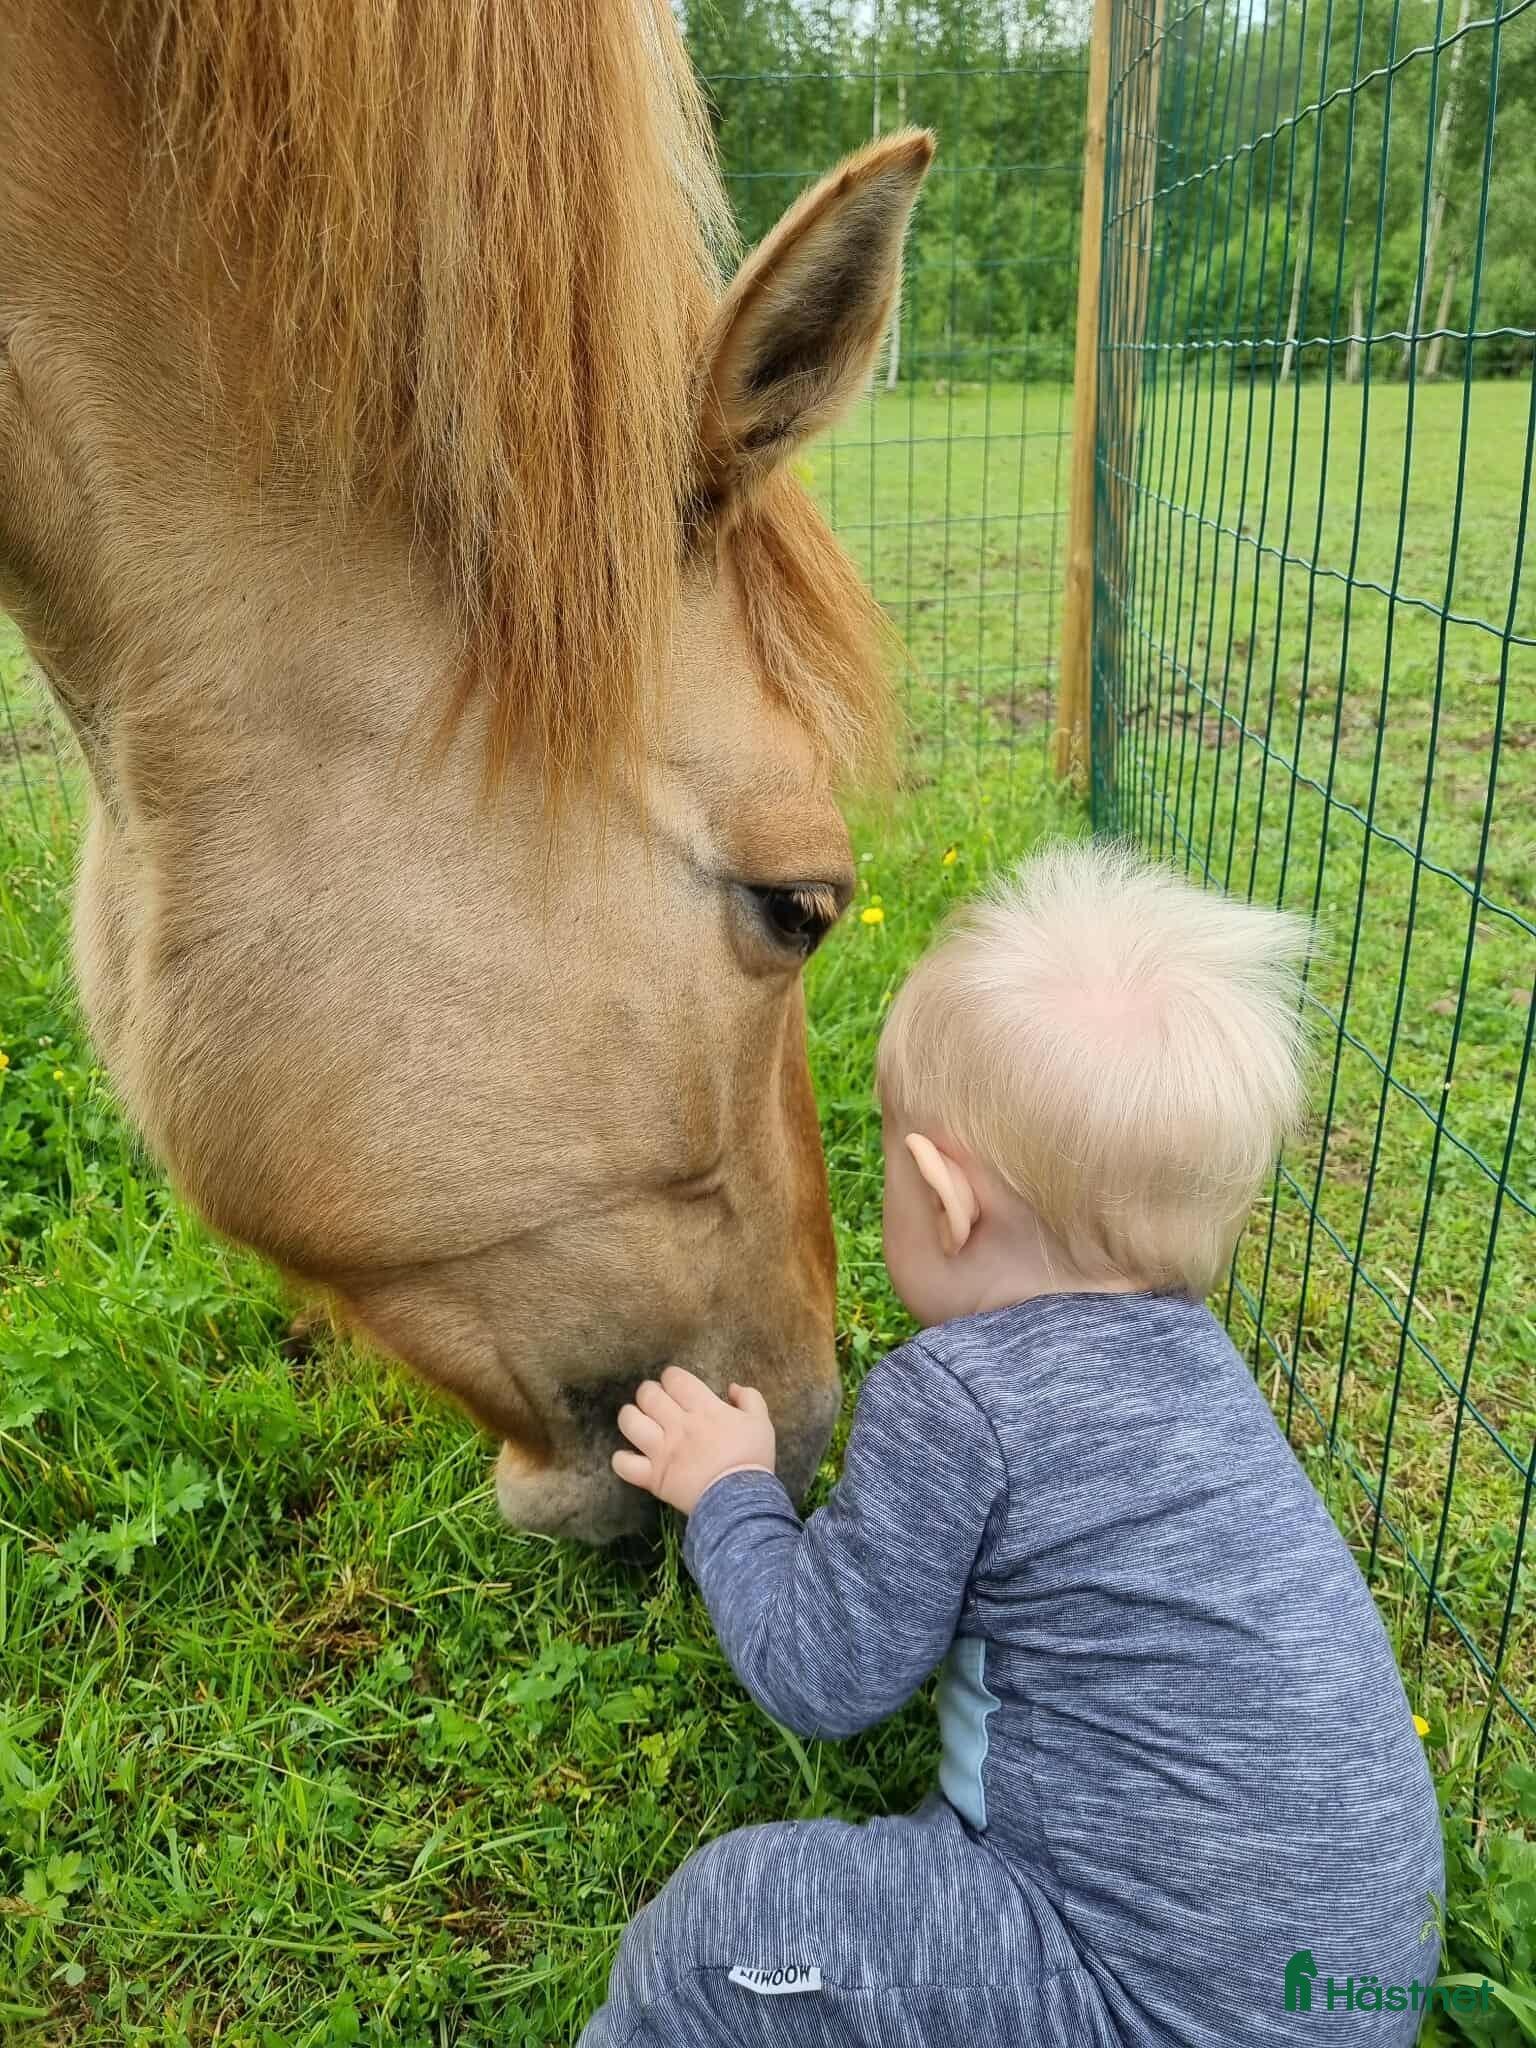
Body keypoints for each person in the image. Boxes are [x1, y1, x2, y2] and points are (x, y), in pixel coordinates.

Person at [580, 839, 1444, 2047]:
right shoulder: (1203, 1366)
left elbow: (822, 1671)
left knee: (725, 1927)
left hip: (1144, 2002)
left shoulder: (960, 1402)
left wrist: (727, 1489)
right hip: (1352, 1988)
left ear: (942, 1196)